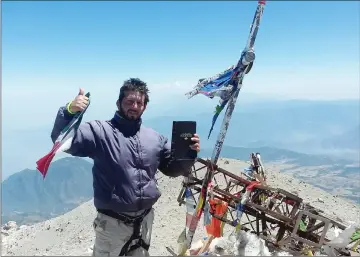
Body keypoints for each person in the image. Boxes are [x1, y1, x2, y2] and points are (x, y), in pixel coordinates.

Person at [50, 78, 201, 256]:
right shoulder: (100, 132)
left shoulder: (154, 138)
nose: (134, 106)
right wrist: (69, 112)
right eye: (129, 101)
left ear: (145, 106)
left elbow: (173, 169)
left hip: (144, 223)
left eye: (139, 102)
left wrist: (189, 154)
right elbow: (66, 142)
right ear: (119, 103)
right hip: (112, 225)